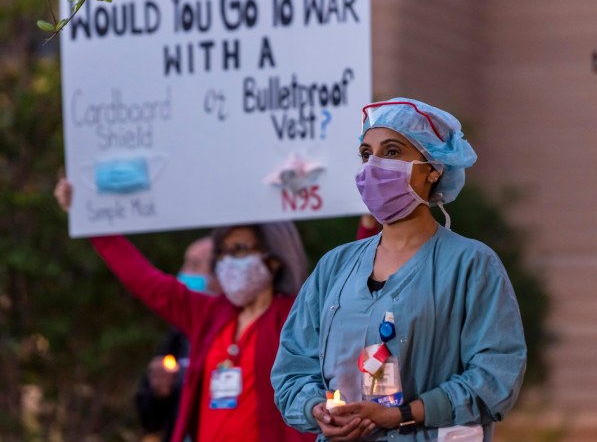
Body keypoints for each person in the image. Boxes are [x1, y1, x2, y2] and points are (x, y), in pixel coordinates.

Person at [271, 98, 527, 441]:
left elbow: (496, 375)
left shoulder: (471, 265)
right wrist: (317, 410)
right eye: (366, 154)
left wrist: (399, 416)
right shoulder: (335, 267)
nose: (373, 166)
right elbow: (293, 368)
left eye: (391, 152)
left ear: (433, 167)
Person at [54, 178, 315, 442]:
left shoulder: (296, 315)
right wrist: (88, 216)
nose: (227, 262)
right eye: (222, 253)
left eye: (239, 249)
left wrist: (362, 226)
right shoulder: (209, 314)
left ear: (273, 258)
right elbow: (143, 280)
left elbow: (353, 293)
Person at [135, 236, 220, 442]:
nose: (183, 273)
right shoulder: (178, 336)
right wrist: (157, 391)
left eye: (194, 265)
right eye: (185, 263)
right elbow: (151, 421)